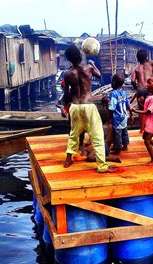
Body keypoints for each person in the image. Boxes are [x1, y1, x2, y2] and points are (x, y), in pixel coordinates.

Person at [61, 44, 119, 173]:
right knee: (97, 135)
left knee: (74, 134)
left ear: (69, 59)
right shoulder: (89, 68)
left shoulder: (67, 73)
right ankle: (102, 166)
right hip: (88, 105)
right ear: (81, 56)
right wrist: (93, 64)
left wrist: (64, 107)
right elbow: (99, 76)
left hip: (75, 106)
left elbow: (66, 95)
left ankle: (68, 159)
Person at [131, 75, 153, 165]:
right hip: (150, 122)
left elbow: (148, 112)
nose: (147, 85)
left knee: (147, 140)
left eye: (149, 83)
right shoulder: (151, 96)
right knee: (145, 137)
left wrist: (135, 110)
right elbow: (146, 107)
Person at [108, 74, 131, 155]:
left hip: (117, 117)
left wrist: (110, 117)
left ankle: (118, 149)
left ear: (113, 82)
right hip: (124, 115)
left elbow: (111, 108)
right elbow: (128, 105)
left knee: (117, 133)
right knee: (124, 130)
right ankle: (125, 145)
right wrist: (130, 114)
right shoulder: (124, 93)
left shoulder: (113, 94)